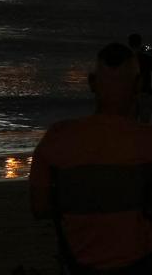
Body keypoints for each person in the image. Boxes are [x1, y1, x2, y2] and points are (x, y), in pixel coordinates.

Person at [31, 42, 152, 274]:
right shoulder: (147, 141)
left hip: (79, 264)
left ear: (92, 84)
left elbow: (40, 208)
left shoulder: (57, 139)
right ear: (139, 85)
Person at [128, 34, 152, 124]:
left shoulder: (128, 58)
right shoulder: (147, 56)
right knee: (144, 124)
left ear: (129, 43)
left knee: (131, 123)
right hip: (145, 91)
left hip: (132, 93)